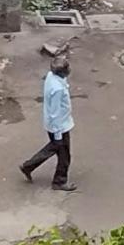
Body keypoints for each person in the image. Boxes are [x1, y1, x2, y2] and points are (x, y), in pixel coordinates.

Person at [20, 55, 76, 191]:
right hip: (59, 126)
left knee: (53, 148)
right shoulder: (57, 89)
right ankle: (59, 181)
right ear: (62, 72)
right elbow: (55, 113)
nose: (69, 70)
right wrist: (58, 134)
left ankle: (28, 166)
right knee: (64, 155)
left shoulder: (52, 76)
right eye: (67, 68)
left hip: (55, 124)